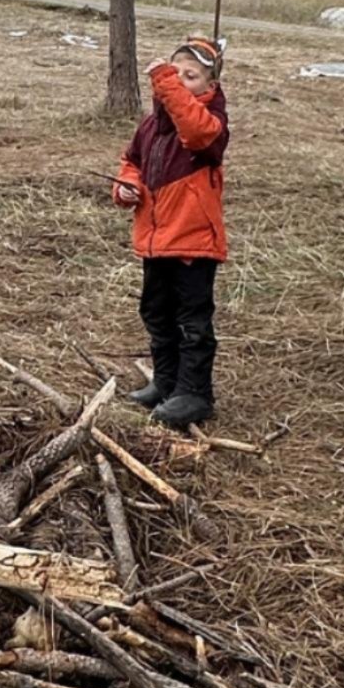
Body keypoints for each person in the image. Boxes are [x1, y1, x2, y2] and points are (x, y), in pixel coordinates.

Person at [111, 35, 230, 430]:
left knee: (192, 321)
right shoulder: (151, 127)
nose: (178, 81)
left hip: (194, 241)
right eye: (175, 72)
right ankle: (166, 384)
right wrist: (127, 187)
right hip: (155, 240)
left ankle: (195, 393)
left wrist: (166, 84)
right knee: (156, 312)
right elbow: (132, 161)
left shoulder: (210, 125)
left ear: (209, 87)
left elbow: (195, 132)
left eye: (190, 76)